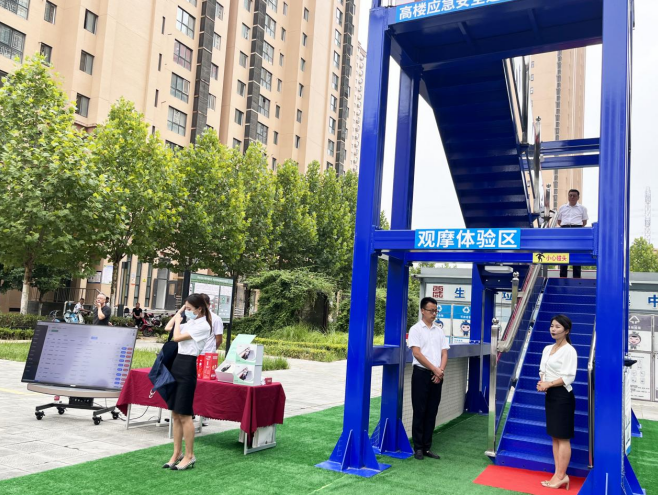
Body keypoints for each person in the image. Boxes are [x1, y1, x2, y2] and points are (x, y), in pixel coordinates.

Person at [162, 293, 213, 471]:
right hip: (177, 365)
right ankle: (177, 453)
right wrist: (181, 312)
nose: (187, 312)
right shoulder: (191, 321)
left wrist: (178, 320)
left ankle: (190, 455)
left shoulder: (203, 326)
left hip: (187, 367)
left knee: (184, 414)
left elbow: (176, 337)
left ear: (199, 309)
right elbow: (168, 328)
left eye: (190, 309)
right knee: (175, 414)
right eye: (186, 308)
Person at [537, 314, 578, 490]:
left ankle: (562, 476)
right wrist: (542, 383)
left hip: (563, 396)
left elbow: (568, 376)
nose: (553, 329)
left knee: (563, 437)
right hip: (551, 395)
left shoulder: (569, 350)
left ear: (566, 330)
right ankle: (557, 474)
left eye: (558, 327)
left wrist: (549, 384)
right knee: (555, 436)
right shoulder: (547, 348)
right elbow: (543, 370)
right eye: (552, 326)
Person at [407, 296, 450, 461]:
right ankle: (418, 447)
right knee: (420, 411)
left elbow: (444, 353)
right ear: (422, 311)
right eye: (431, 310)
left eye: (436, 311)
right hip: (421, 374)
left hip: (437, 374)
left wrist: (440, 371)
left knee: (432, 411)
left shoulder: (439, 331)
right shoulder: (415, 330)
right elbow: (417, 353)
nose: (434, 313)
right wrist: (435, 370)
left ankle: (427, 447)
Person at [556, 189, 588, 278]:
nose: (572, 197)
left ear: (578, 197)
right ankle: (562, 278)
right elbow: (559, 221)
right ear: (568, 196)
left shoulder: (582, 208)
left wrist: (575, 229)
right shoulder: (562, 208)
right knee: (563, 253)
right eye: (570, 195)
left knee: (577, 254)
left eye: (574, 195)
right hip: (564, 230)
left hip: (577, 230)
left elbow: (584, 222)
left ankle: (577, 279)